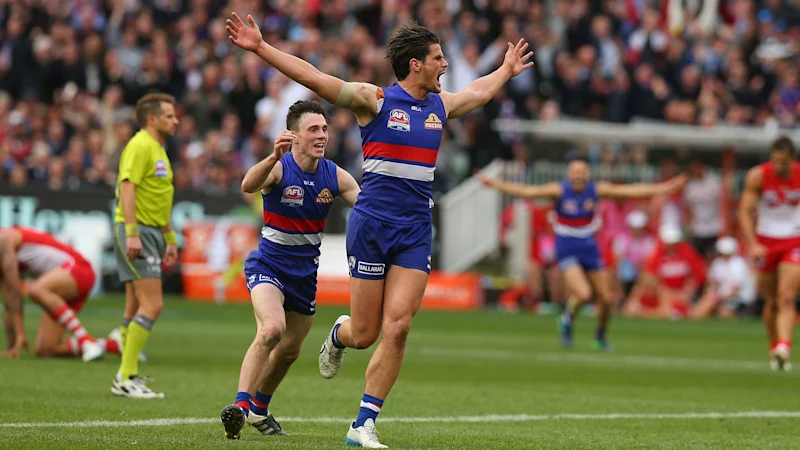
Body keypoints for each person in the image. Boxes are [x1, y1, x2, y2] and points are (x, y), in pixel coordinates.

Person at [226, 13, 534, 448]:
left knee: (400, 326)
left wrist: (504, 70)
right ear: (415, 65)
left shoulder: (440, 108)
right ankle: (339, 334)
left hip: (414, 229)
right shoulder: (373, 101)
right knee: (365, 334)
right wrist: (260, 48)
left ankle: (363, 423)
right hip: (371, 226)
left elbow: (477, 94)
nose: (445, 65)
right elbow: (316, 78)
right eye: (438, 58)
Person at [219, 100, 360, 440]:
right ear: (294, 136)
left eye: (325, 129)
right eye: (313, 129)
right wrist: (271, 156)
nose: (322, 135)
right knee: (271, 329)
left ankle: (259, 409)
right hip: (268, 265)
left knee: (290, 351)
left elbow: (366, 204)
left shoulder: (334, 175)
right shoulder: (280, 168)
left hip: (304, 276)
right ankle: (239, 406)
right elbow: (247, 185)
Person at [477, 158, 687, 350]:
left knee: (607, 298)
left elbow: (632, 190)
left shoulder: (596, 190)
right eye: (575, 172)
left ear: (588, 175)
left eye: (582, 172)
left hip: (589, 247)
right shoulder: (558, 191)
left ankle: (600, 336)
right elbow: (526, 191)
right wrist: (495, 185)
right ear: (569, 175)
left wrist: (667, 187)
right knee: (584, 294)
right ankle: (567, 320)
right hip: (567, 247)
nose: (578, 175)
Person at [111, 93, 180, 398]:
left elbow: (158, 197)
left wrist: (169, 237)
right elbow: (128, 188)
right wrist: (133, 233)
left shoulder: (158, 150)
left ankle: (127, 374)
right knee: (153, 305)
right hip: (137, 230)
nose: (175, 120)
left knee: (134, 304)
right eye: (169, 115)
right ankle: (125, 376)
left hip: (152, 230)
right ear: (151, 119)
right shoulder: (140, 145)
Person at [0, 227, 113, 361]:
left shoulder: (4, 241)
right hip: (58, 287)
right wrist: (11, 346)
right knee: (46, 350)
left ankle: (86, 339)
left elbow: (14, 291)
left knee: (36, 289)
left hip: (79, 269)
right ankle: (113, 345)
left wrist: (20, 333)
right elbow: (8, 299)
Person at [738, 136, 800, 371]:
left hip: (795, 238)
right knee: (771, 300)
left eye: (783, 162)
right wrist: (752, 244)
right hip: (766, 240)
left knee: (786, 294)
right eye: (775, 161)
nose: (779, 167)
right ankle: (774, 347)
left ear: (792, 160)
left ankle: (784, 346)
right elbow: (745, 212)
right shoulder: (758, 176)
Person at [624, 224, 706, 319]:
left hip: (683, 292)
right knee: (645, 280)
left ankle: (648, 312)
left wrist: (687, 291)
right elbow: (650, 275)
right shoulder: (658, 253)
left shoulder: (687, 251)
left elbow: (699, 274)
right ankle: (635, 305)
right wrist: (664, 291)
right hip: (663, 293)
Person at [690, 237, 756, 319]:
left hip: (738, 298)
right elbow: (713, 283)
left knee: (724, 312)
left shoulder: (739, 264)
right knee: (704, 305)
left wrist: (719, 298)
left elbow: (736, 289)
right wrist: (711, 294)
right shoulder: (717, 263)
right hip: (720, 296)